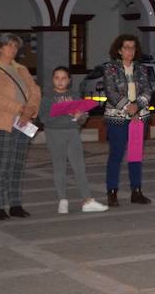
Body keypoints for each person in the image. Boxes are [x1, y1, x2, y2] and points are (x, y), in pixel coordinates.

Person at [0, 33, 41, 220]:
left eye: (15, 46)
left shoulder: (21, 69)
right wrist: (20, 108)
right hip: (2, 122)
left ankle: (15, 204)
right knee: (1, 164)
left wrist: (29, 111)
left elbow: (35, 91)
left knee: (17, 164)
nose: (12, 49)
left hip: (23, 122)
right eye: (8, 45)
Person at [38, 66, 107, 215]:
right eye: (57, 78)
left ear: (69, 80)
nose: (60, 81)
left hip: (73, 133)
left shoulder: (75, 95)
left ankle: (87, 201)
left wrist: (80, 116)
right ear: (52, 79)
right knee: (59, 167)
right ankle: (62, 200)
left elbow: (83, 119)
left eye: (63, 78)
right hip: (54, 134)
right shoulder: (47, 97)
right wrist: (62, 114)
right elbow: (43, 118)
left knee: (79, 167)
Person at [102, 34, 152, 207]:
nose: (130, 51)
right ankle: (112, 192)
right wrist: (127, 107)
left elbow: (148, 91)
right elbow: (111, 91)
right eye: (126, 47)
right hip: (117, 118)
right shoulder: (110, 68)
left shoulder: (142, 69)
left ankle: (136, 191)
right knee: (116, 154)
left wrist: (137, 106)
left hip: (139, 118)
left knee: (136, 155)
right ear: (119, 50)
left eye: (132, 47)